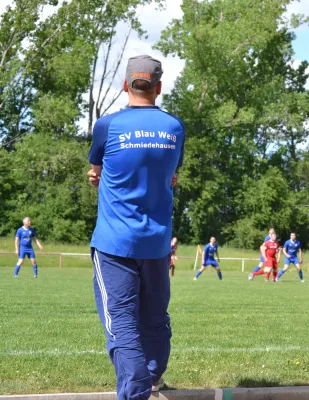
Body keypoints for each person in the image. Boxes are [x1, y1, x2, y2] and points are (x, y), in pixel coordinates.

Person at [87, 55, 185, 400]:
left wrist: (96, 176)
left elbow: (97, 168)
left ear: (126, 85)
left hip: (115, 243)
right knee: (156, 318)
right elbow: (171, 176)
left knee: (122, 322)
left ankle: (136, 391)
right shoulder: (174, 128)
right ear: (158, 88)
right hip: (157, 243)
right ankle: (154, 377)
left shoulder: (107, 125)